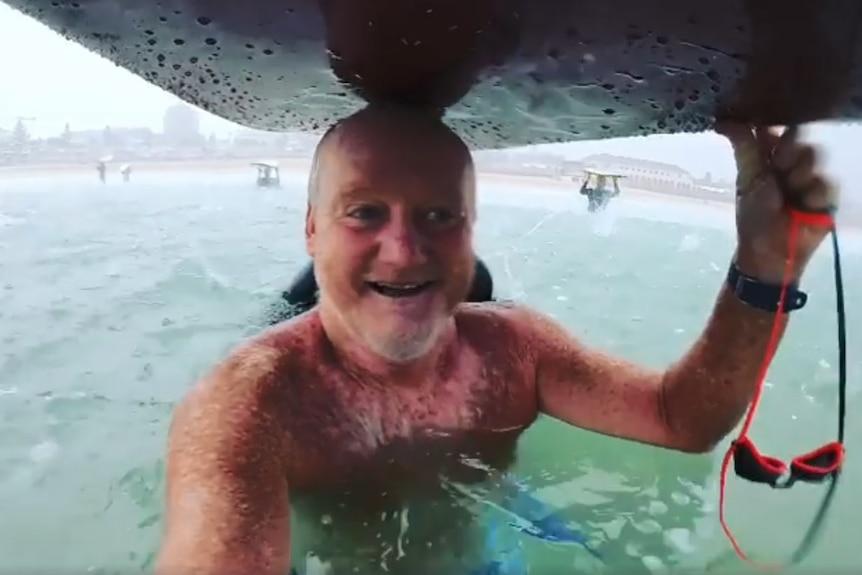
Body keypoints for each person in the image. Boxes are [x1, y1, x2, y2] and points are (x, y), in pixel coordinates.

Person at [155, 105, 837, 575]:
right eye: (364, 211)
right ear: (311, 230)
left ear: (471, 229)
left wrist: (762, 264)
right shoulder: (249, 407)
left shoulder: (517, 350)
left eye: (438, 214)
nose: (403, 249)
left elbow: (681, 418)